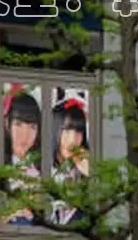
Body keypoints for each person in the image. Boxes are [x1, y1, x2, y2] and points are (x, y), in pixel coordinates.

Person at [2, 87, 41, 226]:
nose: (25, 135)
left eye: (32, 127)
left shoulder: (40, 167)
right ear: (7, 124)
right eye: (18, 124)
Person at [50, 92, 89, 226]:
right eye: (66, 131)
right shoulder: (39, 166)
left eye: (78, 132)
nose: (73, 140)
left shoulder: (84, 165)